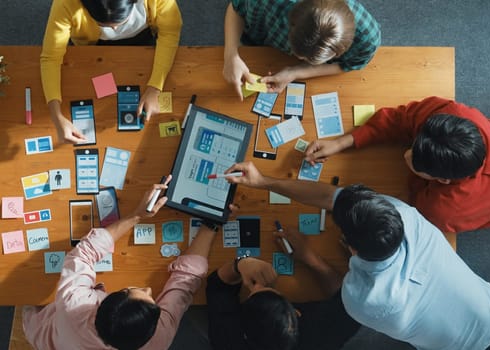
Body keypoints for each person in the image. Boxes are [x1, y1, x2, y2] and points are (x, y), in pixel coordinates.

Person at [224, 161, 490, 349]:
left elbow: (341, 294)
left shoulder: (365, 301)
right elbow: (330, 197)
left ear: (351, 248)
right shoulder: (403, 214)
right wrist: (263, 182)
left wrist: (310, 256)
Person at [22, 176, 220, 349]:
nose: (149, 289)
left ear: (100, 304)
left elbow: (83, 253)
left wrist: (136, 216)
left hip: (45, 335)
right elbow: (184, 283)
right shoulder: (159, 339)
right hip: (62, 335)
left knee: (29, 298)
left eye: (131, 290)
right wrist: (212, 222)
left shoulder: (74, 305)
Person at [304, 96, 490, 234]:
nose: (406, 155)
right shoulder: (452, 114)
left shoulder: (442, 210)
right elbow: (400, 119)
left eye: (415, 165)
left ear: (442, 181)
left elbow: (415, 203)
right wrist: (341, 142)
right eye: (413, 145)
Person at [41, 0, 182, 144]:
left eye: (120, 22)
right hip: (93, 47)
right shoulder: (65, 4)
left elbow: (170, 32)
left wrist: (155, 88)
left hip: (143, 39)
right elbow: (51, 57)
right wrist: (56, 116)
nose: (114, 29)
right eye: (102, 24)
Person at [206, 225, 360, 350]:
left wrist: (240, 264)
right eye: (273, 292)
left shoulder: (228, 341)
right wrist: (309, 257)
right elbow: (349, 298)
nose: (259, 284)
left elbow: (217, 287)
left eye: (253, 291)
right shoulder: (324, 336)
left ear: (243, 331)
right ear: (296, 313)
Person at [223, 0, 381, 99]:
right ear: (291, 22)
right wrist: (231, 55)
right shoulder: (267, 2)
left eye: (308, 61)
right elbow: (236, 8)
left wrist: (295, 72)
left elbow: (347, 65)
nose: (299, 60)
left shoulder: (368, 39)